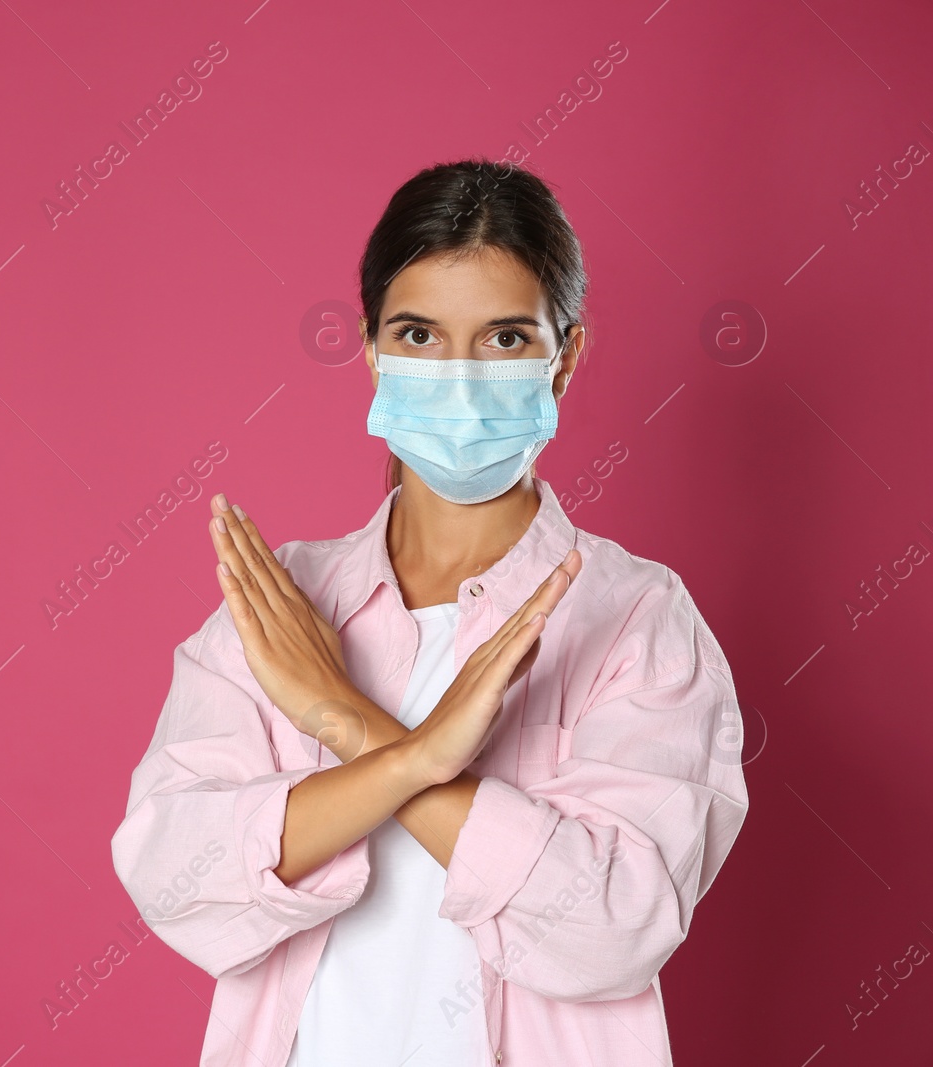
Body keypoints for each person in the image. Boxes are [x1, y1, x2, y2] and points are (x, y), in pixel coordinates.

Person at [109, 159, 750, 1067]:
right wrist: (416, 756)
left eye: (502, 340)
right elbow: (174, 875)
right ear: (369, 349)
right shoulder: (285, 601)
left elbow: (614, 925)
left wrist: (356, 728)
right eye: (418, 333)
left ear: (564, 356)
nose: (456, 376)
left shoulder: (638, 618)